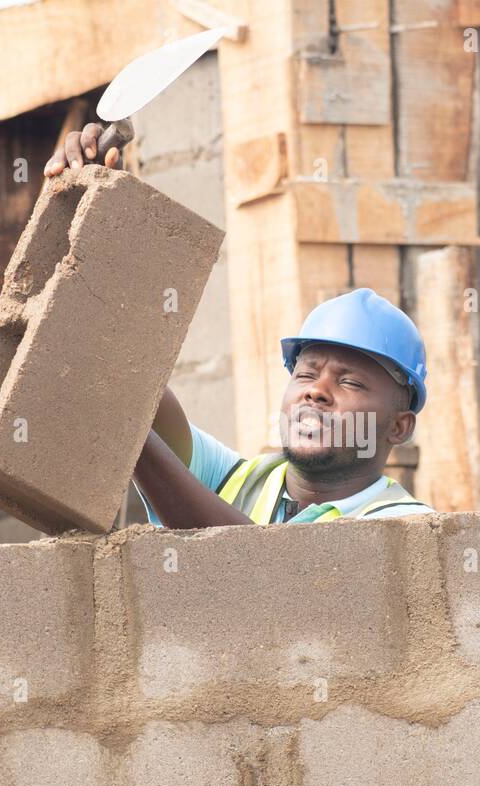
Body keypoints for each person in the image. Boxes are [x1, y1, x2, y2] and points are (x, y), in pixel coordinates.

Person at [46, 124, 433, 528]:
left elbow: (260, 572)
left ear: (399, 426)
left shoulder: (406, 527)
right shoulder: (231, 479)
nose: (317, 392)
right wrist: (98, 213)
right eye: (306, 374)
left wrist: (127, 428)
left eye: (350, 382)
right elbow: (130, 370)